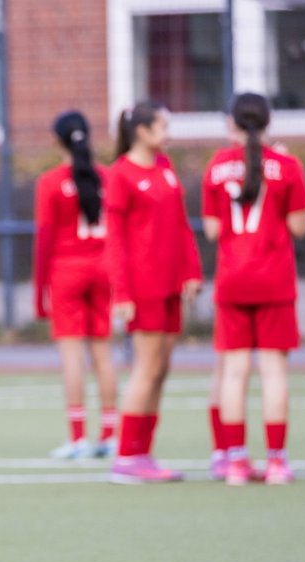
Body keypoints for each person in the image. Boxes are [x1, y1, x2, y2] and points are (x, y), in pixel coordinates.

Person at [201, 93, 305, 486]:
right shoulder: (286, 166)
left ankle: (235, 462)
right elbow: (299, 227)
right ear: (269, 122)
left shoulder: (216, 166)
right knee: (274, 371)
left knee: (233, 373)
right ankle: (277, 462)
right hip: (274, 278)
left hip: (233, 279)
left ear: (232, 122)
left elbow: (213, 231)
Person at [104, 100, 202, 484]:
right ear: (141, 131)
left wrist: (191, 271)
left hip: (169, 285)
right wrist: (122, 294)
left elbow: (180, 224)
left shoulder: (165, 168)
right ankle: (126, 456)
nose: (168, 133)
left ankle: (144, 453)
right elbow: (114, 241)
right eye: (162, 126)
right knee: (146, 369)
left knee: (161, 370)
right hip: (142, 287)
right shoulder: (121, 175)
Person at [33, 110, 119, 459]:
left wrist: (40, 292)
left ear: (56, 140)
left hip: (67, 271)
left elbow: (44, 240)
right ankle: (111, 435)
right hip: (104, 268)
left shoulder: (51, 182)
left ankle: (79, 437)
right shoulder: (108, 176)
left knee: (72, 355)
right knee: (103, 354)